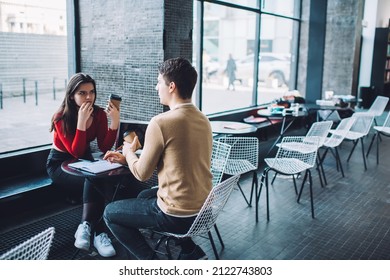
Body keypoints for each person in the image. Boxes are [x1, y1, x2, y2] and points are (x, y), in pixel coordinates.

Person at [103, 57, 213, 260]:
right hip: (202, 210)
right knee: (144, 196)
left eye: (159, 82)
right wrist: (128, 158)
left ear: (171, 86)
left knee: (110, 213)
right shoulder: (203, 119)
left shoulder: (161, 122)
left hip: (177, 215)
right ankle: (189, 250)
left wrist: (129, 152)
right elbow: (178, 163)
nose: (156, 87)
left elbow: (141, 174)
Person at [46, 73, 119, 257]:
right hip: (60, 163)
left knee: (96, 179)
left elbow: (103, 146)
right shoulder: (60, 117)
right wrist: (80, 122)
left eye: (92, 92)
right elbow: (75, 152)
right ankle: (98, 232)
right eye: (82, 93)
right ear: (72, 95)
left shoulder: (99, 114)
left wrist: (115, 121)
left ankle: (87, 228)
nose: (89, 97)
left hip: (83, 161)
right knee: (94, 180)